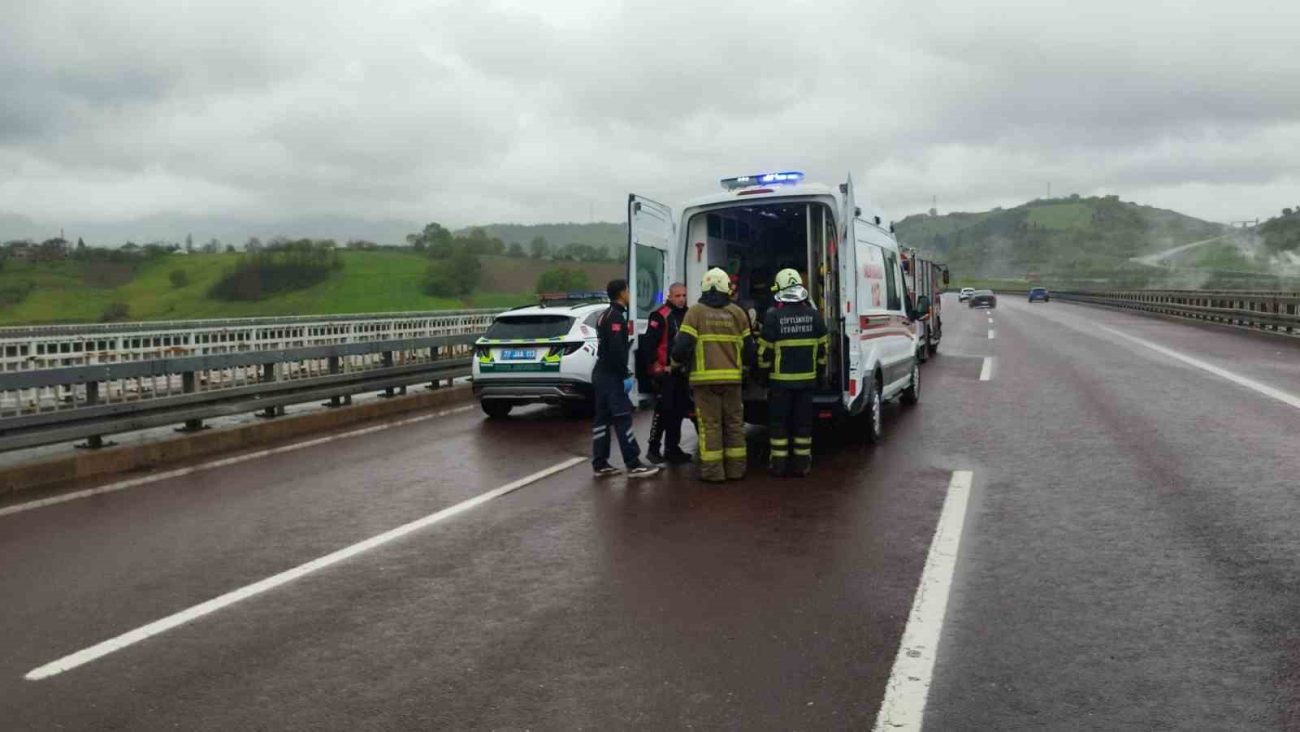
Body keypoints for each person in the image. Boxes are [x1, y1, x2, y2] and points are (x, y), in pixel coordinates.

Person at [671, 268, 755, 482]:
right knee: (735, 425)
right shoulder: (738, 313)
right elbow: (750, 350)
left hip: (704, 381)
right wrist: (746, 370)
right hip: (733, 381)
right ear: (726, 286)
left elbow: (682, 347)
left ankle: (713, 472)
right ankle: (736, 470)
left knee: (710, 426)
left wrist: (677, 364)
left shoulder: (695, 312)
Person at [757, 268, 828, 477]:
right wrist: (820, 374)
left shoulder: (773, 317)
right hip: (807, 383)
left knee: (779, 425)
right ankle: (802, 464)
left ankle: (778, 465)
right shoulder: (815, 316)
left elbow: (764, 354)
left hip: (779, 384)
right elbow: (823, 351)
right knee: (803, 424)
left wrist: (762, 377)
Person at [591, 279, 661, 478]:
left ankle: (600, 463)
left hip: (601, 374)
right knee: (622, 419)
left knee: (602, 421)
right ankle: (633, 463)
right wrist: (624, 375)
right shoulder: (615, 318)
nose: (630, 294)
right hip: (611, 376)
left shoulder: (604, 315)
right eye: (628, 291)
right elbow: (616, 351)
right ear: (622, 293)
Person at [639, 282, 692, 464]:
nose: (682, 299)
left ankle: (672, 448)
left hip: (682, 373)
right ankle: (653, 449)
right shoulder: (660, 315)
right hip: (665, 372)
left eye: (684, 295)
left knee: (678, 411)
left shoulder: (688, 315)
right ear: (669, 296)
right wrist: (655, 369)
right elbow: (648, 345)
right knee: (662, 412)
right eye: (678, 296)